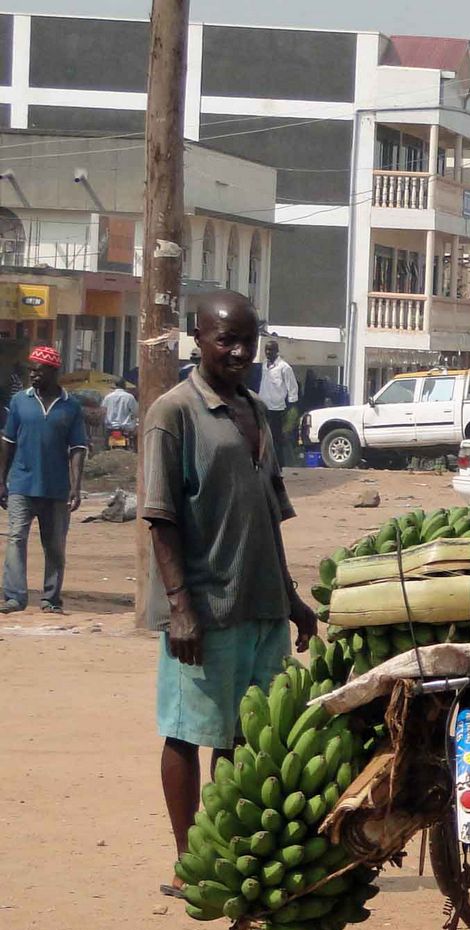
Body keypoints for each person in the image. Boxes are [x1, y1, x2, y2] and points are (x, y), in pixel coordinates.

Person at [142, 291, 318, 896]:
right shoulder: (174, 413)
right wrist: (180, 608)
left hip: (261, 602)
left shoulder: (254, 411)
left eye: (248, 339)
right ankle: (187, 859)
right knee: (189, 731)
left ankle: (229, 846)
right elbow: (160, 517)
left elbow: (267, 516)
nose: (240, 352)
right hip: (204, 607)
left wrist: (291, 597)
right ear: (199, 338)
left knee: (247, 736)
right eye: (227, 340)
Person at [1, 345, 88, 613]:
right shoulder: (19, 402)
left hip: (57, 488)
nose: (33, 376)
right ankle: (15, 597)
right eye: (31, 371)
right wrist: (1, 481)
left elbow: (78, 449)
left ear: (53, 371)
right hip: (21, 484)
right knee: (16, 538)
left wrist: (76, 486)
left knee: (55, 545)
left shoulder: (70, 406)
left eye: (38, 371)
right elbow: (7, 442)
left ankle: (51, 599)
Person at [256, 338, 299, 469]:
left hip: (277, 408)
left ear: (277, 351)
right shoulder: (264, 364)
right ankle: (264, 463)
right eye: (266, 350)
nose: (268, 352)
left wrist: (291, 405)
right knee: (262, 436)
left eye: (271, 350)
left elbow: (292, 387)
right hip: (263, 406)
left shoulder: (284, 368)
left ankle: (279, 465)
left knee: (276, 439)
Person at [103, 379, 138, 446]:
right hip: (125, 429)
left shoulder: (108, 397)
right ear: (124, 386)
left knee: (107, 450)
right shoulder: (129, 397)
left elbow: (103, 410)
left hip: (110, 428)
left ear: (115, 385)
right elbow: (135, 412)